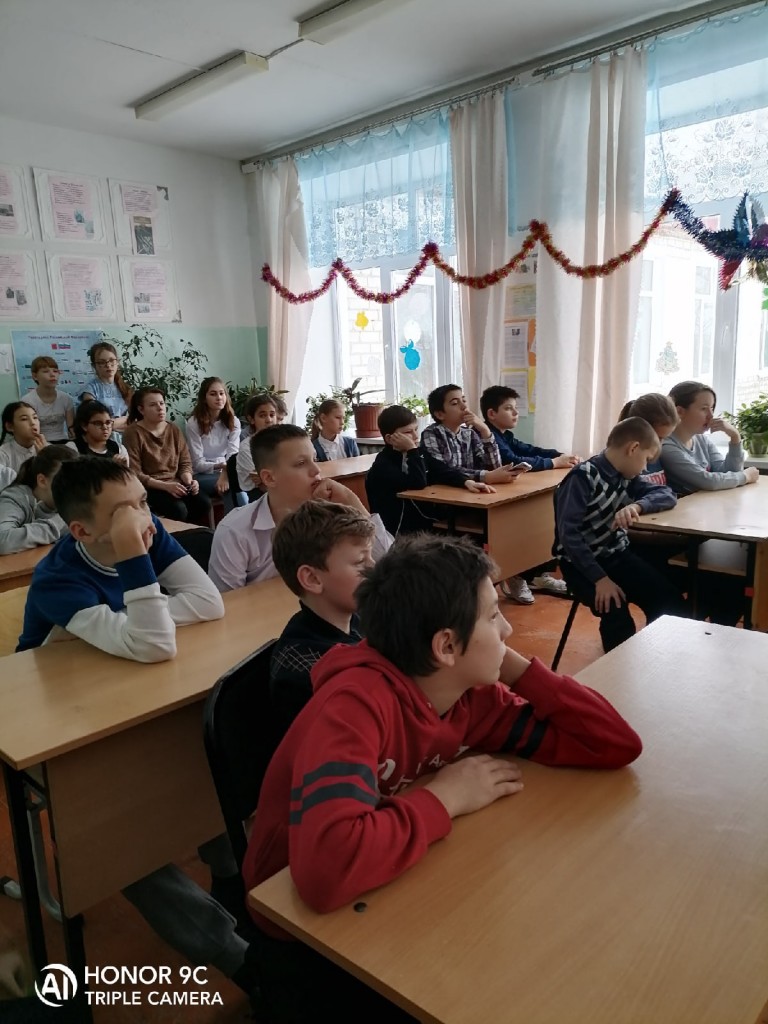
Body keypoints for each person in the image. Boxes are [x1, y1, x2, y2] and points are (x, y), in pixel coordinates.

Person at [242, 534, 642, 1023]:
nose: (508, 629)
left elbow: (613, 744)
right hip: (299, 933)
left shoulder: (470, 697)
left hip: (388, 892)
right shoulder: (353, 707)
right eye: (492, 616)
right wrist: (446, 798)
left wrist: (516, 670)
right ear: (446, 646)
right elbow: (325, 873)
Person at [14, 459, 257, 995]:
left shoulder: (150, 536)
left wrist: (140, 609)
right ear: (82, 531)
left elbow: (208, 605)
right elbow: (154, 644)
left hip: (133, 703)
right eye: (123, 513)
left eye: (143, 504)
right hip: (62, 732)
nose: (142, 519)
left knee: (203, 764)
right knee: (111, 842)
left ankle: (231, 879)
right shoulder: (58, 578)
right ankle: (237, 958)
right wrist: (134, 564)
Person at [553, 416, 688, 653]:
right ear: (633, 448)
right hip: (581, 566)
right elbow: (569, 536)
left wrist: (638, 506)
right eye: (646, 459)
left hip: (617, 556)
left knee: (668, 600)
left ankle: (661, 659)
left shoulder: (627, 477)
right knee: (616, 614)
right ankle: (619, 671)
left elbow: (667, 494)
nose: (644, 468)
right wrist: (600, 579)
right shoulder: (582, 477)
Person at [209, 424, 392, 593]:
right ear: (269, 478)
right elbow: (227, 605)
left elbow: (390, 566)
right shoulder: (235, 531)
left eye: (315, 459)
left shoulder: (331, 514)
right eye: (301, 463)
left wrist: (352, 502)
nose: (316, 470)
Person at [270, 500, 374, 736]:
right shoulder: (305, 673)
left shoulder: (361, 620)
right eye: (360, 562)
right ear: (313, 579)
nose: (373, 567)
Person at [481, 384, 579, 604]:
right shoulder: (487, 436)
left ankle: (538, 574)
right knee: (523, 525)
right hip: (493, 498)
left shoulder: (505, 435)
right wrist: (554, 462)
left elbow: (529, 450)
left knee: (546, 517)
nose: (516, 413)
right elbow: (513, 460)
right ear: (492, 414)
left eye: (515, 408)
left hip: (506, 491)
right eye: (509, 408)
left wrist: (560, 455)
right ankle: (516, 573)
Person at [365, 404, 492, 536]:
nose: (415, 436)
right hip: (397, 533)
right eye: (408, 432)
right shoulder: (383, 465)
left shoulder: (417, 453)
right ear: (389, 438)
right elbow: (418, 483)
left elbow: (441, 469)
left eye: (416, 429)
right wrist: (412, 450)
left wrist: (466, 482)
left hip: (421, 526)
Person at [123, 387, 212, 523]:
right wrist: (165, 486)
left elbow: (185, 462)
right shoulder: (133, 433)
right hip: (151, 487)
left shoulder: (173, 429)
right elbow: (135, 472)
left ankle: (190, 532)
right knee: (178, 509)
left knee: (203, 503)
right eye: (153, 405)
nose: (160, 408)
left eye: (162, 403)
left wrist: (189, 481)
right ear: (141, 410)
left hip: (176, 482)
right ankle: (175, 534)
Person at [660, 380, 759, 495]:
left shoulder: (702, 440)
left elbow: (728, 472)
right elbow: (708, 481)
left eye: (712, 408)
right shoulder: (666, 446)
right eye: (704, 409)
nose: (711, 416)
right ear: (679, 412)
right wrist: (746, 476)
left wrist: (735, 437)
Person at [420, 384, 519, 486]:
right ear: (440, 414)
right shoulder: (432, 433)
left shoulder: (469, 433)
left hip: (471, 489)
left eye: (464, 400)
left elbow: (494, 469)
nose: (464, 407)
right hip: (443, 491)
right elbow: (444, 471)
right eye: (455, 403)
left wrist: (485, 431)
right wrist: (486, 476)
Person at [0, 445, 77, 554]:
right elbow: (2, 541)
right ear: (42, 481)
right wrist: (58, 524)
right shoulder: (15, 497)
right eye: (66, 481)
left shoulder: (66, 502)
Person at [186, 376, 240, 509]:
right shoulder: (193, 423)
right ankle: (235, 522)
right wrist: (222, 467)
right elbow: (198, 463)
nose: (219, 398)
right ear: (204, 398)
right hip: (201, 474)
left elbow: (233, 454)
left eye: (222, 393)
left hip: (226, 471)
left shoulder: (233, 421)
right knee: (234, 486)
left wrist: (225, 472)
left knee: (243, 484)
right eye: (213, 394)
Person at [79, 341, 133, 437]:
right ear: (94, 366)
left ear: (117, 362)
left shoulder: (125, 388)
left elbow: (134, 419)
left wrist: (111, 423)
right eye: (102, 362)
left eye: (112, 360)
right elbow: (94, 422)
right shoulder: (90, 390)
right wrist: (120, 422)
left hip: (126, 438)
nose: (108, 365)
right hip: (101, 439)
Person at [22, 356, 74, 443]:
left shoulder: (66, 398)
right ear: (35, 376)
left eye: (55, 371)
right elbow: (29, 431)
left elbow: (71, 429)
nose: (52, 374)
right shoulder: (27, 401)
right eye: (46, 371)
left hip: (63, 442)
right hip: (39, 442)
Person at [236, 393, 277, 497]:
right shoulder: (247, 447)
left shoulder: (284, 442)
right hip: (260, 496)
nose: (269, 420)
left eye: (272, 415)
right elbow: (264, 485)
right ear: (251, 419)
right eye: (262, 415)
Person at [0, 401, 48, 472]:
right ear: (10, 426)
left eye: (35, 417)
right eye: (24, 419)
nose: (33, 423)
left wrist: (45, 455)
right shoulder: (3, 454)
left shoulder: (49, 448)